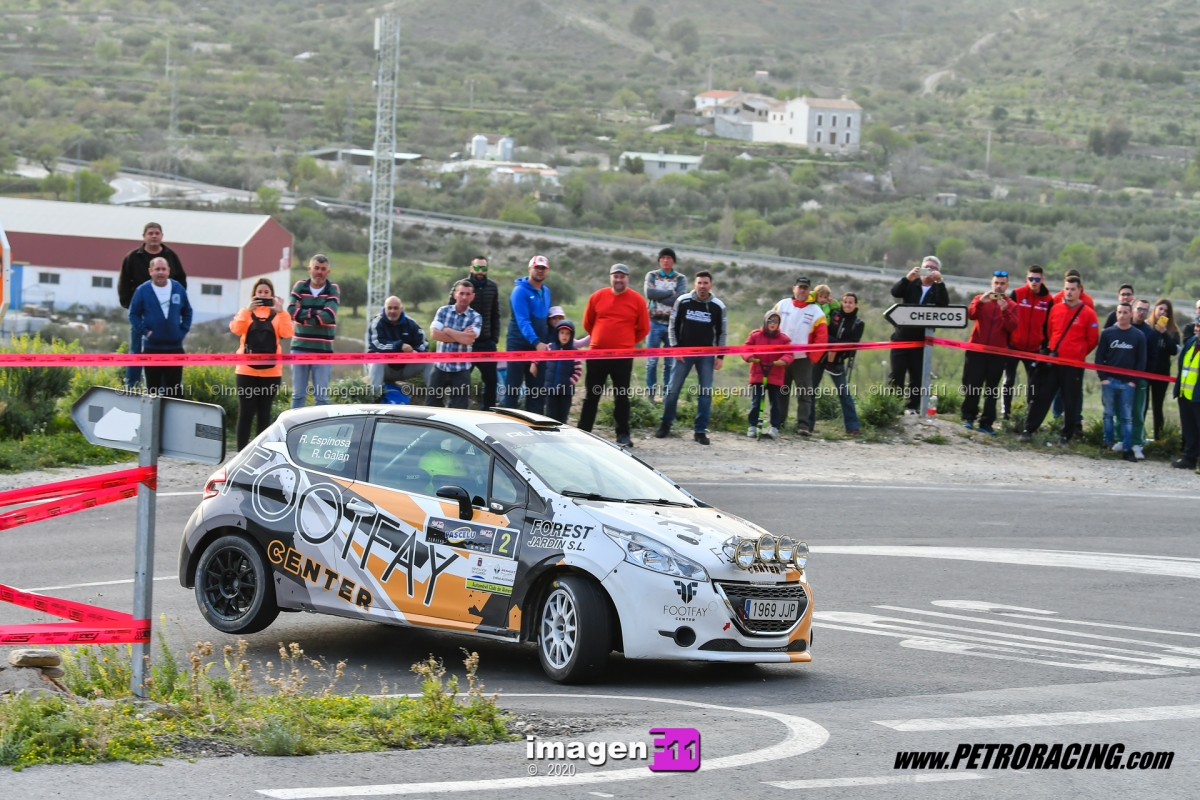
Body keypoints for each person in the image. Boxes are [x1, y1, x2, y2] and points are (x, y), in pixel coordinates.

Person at [577, 264, 650, 447]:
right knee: (591, 395)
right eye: (615, 276)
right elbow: (588, 323)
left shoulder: (637, 300)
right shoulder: (597, 297)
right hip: (597, 354)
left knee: (622, 395)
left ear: (628, 278)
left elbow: (643, 328)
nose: (619, 280)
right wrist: (602, 338)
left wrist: (626, 343)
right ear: (610, 277)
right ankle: (583, 431)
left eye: (622, 276)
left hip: (623, 357)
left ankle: (623, 434)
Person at [1019, 277, 1099, 445]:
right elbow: (1049, 332)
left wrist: (1078, 353)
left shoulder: (1088, 314)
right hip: (1053, 362)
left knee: (1070, 400)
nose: (1069, 292)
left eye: (1072, 289)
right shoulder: (1055, 309)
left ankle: (1065, 435)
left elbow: (1092, 340)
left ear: (1080, 290)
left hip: (1073, 365)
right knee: (1042, 396)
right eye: (1066, 289)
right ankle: (1029, 429)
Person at [656, 271, 726, 446]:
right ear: (694, 284)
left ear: (711, 285)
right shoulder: (683, 301)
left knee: (705, 393)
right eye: (699, 283)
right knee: (673, 389)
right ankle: (666, 424)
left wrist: (720, 356)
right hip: (683, 354)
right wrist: (675, 348)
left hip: (707, 355)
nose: (702, 286)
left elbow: (722, 333)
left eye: (705, 283)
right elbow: (672, 325)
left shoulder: (718, 306)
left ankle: (700, 430)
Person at [119, 222, 186, 388]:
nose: (154, 236)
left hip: (166, 318)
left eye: (157, 233)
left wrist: (175, 310)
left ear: (162, 236)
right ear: (144, 236)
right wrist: (132, 308)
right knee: (136, 352)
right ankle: (131, 387)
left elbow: (181, 283)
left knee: (165, 354)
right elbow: (124, 285)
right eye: (150, 233)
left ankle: (163, 391)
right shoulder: (133, 258)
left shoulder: (171, 257)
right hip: (141, 316)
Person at [229, 278, 294, 450]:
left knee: (264, 414)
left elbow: (288, 333)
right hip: (245, 371)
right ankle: (241, 453)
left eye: (266, 292)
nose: (263, 295)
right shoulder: (246, 313)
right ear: (254, 294)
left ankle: (260, 453)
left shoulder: (278, 315)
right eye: (260, 292)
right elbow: (236, 329)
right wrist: (247, 310)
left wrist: (281, 312)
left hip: (271, 373)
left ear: (272, 295)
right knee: (246, 413)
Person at [888, 256, 949, 414]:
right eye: (926, 267)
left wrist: (940, 282)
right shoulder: (911, 284)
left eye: (933, 268)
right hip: (901, 338)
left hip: (922, 341)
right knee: (896, 375)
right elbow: (895, 292)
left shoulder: (937, 289)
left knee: (917, 377)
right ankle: (892, 406)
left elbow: (944, 305)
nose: (929, 270)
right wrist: (907, 278)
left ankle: (911, 407)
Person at [961, 271, 1017, 435]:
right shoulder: (980, 298)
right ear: (991, 284)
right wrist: (980, 302)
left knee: (992, 389)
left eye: (1002, 283)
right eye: (996, 283)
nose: (998, 286)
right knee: (972, 384)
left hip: (997, 353)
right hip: (976, 350)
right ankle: (968, 418)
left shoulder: (1012, 305)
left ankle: (986, 423)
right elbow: (970, 315)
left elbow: (1013, 327)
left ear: (1007, 286)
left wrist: (1005, 311)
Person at [128, 256, 191, 398]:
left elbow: (188, 311)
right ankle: (153, 420)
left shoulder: (177, 288)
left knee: (175, 393)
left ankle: (173, 420)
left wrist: (181, 331)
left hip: (175, 349)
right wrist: (146, 332)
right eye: (157, 269)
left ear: (168, 271)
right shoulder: (142, 290)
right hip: (152, 349)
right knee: (153, 393)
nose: (160, 272)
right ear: (150, 271)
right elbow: (133, 315)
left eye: (163, 269)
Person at [773, 275, 828, 434]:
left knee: (804, 393)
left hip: (802, 359)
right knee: (781, 391)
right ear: (794, 288)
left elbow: (821, 338)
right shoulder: (781, 305)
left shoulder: (816, 312)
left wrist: (813, 358)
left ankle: (803, 425)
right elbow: (769, 326)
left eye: (805, 288)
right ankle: (778, 423)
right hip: (781, 357)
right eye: (799, 287)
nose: (802, 290)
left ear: (809, 290)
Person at [1095, 303, 1145, 463]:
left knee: (1127, 417)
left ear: (1131, 314)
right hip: (1110, 381)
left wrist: (1133, 381)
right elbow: (1099, 357)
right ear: (1116, 314)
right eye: (1119, 312)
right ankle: (1107, 443)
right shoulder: (1108, 334)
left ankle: (1127, 448)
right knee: (1108, 414)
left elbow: (1141, 360)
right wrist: (1103, 378)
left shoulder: (1138, 335)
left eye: (1125, 312)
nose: (1122, 315)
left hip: (1128, 384)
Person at [1003, 265, 1055, 420]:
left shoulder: (1048, 300)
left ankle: (1029, 418)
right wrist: (1005, 342)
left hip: (1033, 349)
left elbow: (1048, 326)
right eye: (1031, 278)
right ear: (1027, 279)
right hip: (1013, 345)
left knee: (1033, 384)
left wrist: (1045, 347)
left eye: (1037, 279)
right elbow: (1008, 318)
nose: (1034, 282)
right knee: (1009, 380)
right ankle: (1005, 413)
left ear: (1042, 280)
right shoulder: (1017, 294)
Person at [288, 255, 340, 408]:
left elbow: (329, 315)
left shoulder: (333, 289)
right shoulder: (299, 286)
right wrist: (317, 314)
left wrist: (303, 313)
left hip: (323, 351)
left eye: (323, 269)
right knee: (298, 395)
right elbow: (291, 311)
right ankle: (294, 430)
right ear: (310, 269)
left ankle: (322, 431)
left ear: (328, 271)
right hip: (299, 348)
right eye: (316, 268)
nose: (319, 272)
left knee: (322, 398)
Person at [504, 255, 553, 413]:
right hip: (518, 345)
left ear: (547, 271)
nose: (540, 271)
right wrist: (537, 342)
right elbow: (523, 321)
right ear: (529, 269)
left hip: (539, 347)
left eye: (543, 268)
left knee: (536, 390)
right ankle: (506, 424)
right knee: (513, 388)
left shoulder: (546, 292)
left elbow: (546, 320)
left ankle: (533, 427)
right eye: (537, 267)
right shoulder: (519, 291)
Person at [428, 281, 482, 409]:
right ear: (455, 294)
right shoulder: (443, 311)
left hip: (461, 370)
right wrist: (460, 335)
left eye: (467, 294)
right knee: (430, 407)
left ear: (472, 296)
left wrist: (446, 330)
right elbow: (434, 334)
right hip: (440, 367)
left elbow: (468, 340)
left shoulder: (476, 317)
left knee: (460, 410)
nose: (464, 297)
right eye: (461, 293)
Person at [643, 247, 687, 403]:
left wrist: (660, 296)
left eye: (669, 258)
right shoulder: (652, 275)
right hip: (654, 323)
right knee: (652, 361)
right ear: (659, 260)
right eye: (663, 258)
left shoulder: (680, 279)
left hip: (672, 325)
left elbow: (680, 299)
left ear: (673, 260)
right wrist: (671, 293)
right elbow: (649, 293)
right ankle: (650, 395)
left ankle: (666, 395)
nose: (666, 260)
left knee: (669, 362)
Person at [743, 310, 794, 440]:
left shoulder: (783, 339)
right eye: (770, 321)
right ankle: (752, 425)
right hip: (758, 373)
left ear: (779, 324)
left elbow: (789, 353)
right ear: (766, 321)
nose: (773, 323)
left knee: (775, 403)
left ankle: (775, 426)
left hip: (774, 374)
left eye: (776, 321)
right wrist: (749, 357)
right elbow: (746, 348)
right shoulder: (755, 336)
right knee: (756, 401)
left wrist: (784, 360)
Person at [367, 295, 428, 395]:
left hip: (405, 368)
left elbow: (423, 343)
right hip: (383, 368)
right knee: (376, 358)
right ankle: (375, 397)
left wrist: (417, 351)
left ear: (401, 309)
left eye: (395, 308)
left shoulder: (411, 323)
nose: (392, 311)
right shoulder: (376, 322)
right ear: (384, 308)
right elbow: (377, 344)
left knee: (430, 361)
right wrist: (399, 345)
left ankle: (434, 397)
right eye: (389, 308)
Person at [824, 293, 864, 435]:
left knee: (844, 393)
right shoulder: (834, 314)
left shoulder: (858, 323)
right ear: (841, 303)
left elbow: (852, 343)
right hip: (821, 356)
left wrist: (833, 344)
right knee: (810, 390)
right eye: (845, 302)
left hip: (838, 361)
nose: (847, 305)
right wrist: (834, 343)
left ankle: (853, 426)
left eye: (850, 302)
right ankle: (806, 425)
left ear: (855, 305)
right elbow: (823, 332)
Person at [466, 256, 501, 410]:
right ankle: (458, 412)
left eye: (484, 268)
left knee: (491, 381)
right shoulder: (462, 287)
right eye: (477, 268)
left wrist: (494, 338)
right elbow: (450, 311)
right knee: (461, 380)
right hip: (466, 343)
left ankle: (488, 412)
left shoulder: (493, 287)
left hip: (487, 343)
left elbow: (495, 314)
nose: (481, 271)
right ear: (471, 268)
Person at [1146, 299, 1181, 443]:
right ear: (1155, 310)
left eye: (1166, 311)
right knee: (1141, 404)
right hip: (1146, 371)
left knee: (1157, 405)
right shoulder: (1147, 327)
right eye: (1160, 309)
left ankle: (1158, 439)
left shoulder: (1173, 331)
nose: (1162, 313)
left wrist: (1165, 333)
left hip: (1162, 373)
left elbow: (1174, 350)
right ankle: (1138, 437)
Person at [1125, 298, 1156, 460]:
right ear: (1133, 309)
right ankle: (1120, 440)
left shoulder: (1150, 333)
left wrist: (1143, 377)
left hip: (1140, 379)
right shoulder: (1123, 326)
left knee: (1137, 412)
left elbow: (1152, 357)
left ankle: (1137, 443)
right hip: (1122, 377)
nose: (1142, 312)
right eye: (1139, 309)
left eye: (1145, 310)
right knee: (1120, 410)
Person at [543, 320, 581, 424]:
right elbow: (540, 356)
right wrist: (534, 363)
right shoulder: (550, 347)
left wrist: (569, 382)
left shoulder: (575, 352)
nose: (565, 336)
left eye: (568, 333)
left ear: (571, 335)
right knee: (550, 415)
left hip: (566, 391)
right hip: (551, 390)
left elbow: (578, 371)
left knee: (562, 416)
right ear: (557, 333)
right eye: (562, 333)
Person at [1172, 328, 1200, 470]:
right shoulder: (1191, 342)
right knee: (1189, 429)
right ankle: (1189, 459)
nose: (1197, 329)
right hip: (1185, 394)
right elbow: (1182, 365)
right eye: (1197, 325)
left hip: (1198, 396)